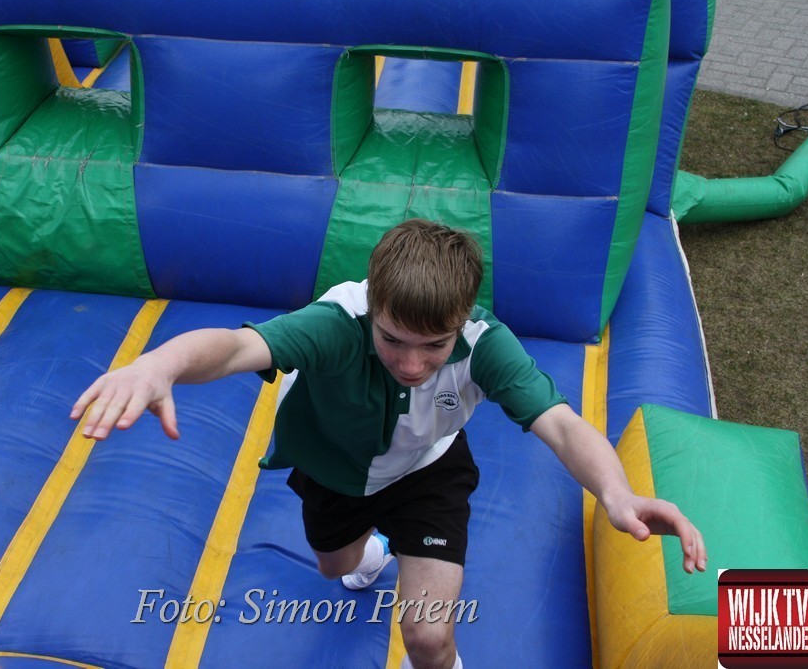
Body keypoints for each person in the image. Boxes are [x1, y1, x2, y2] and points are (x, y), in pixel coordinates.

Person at [70, 219, 707, 669]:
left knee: (428, 637)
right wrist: (159, 365)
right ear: (374, 306)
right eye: (393, 339)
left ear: (463, 317)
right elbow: (239, 346)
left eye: (435, 346)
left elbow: (562, 423)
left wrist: (617, 494)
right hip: (335, 473)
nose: (411, 364)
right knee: (337, 567)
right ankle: (373, 550)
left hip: (428, 473)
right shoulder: (336, 324)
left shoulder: (486, 346)